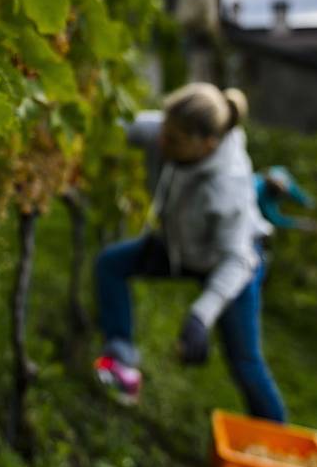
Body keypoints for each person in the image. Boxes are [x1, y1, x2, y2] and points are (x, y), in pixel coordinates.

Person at [93, 83, 287, 422]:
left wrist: (200, 317)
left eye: (175, 141)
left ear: (208, 144)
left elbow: (238, 260)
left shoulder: (228, 187)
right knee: (111, 265)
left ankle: (279, 448)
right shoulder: (167, 132)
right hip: (179, 247)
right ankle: (121, 358)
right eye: (163, 132)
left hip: (229, 263)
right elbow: (113, 125)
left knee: (245, 360)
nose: (162, 143)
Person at [255, 166, 316, 232]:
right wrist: (301, 223)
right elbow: (277, 220)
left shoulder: (277, 173)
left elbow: (293, 189)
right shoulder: (263, 198)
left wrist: (307, 201)